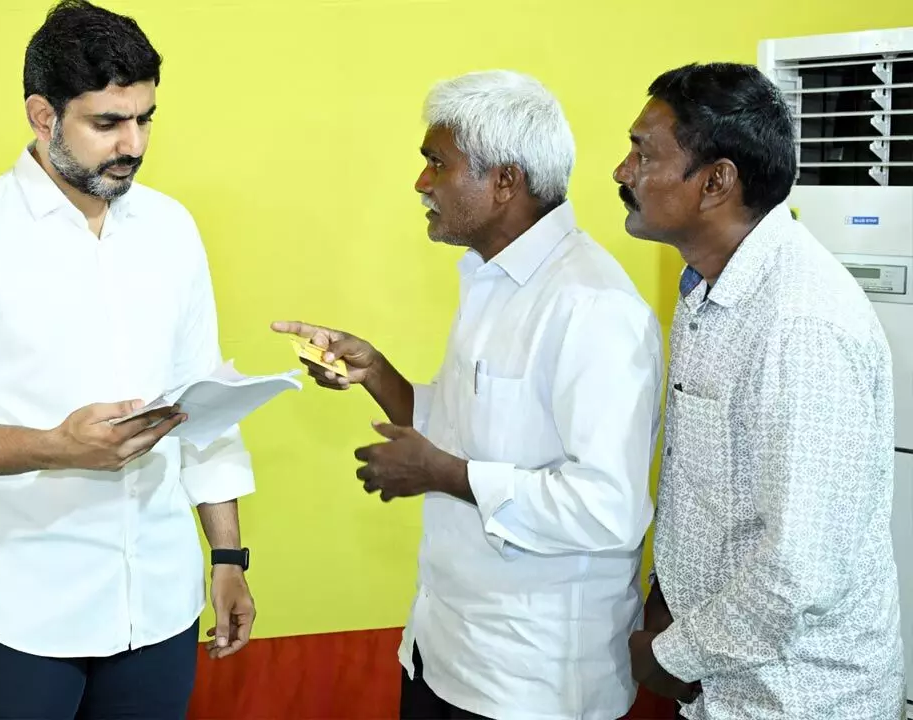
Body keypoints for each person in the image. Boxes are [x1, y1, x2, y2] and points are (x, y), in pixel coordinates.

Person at [0, 2, 256, 718]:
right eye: (107, 123)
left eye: (145, 118)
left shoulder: (172, 231)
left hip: (156, 602)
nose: (134, 143)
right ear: (42, 115)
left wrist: (229, 558)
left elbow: (202, 403)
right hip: (7, 610)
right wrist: (55, 448)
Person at [274, 70, 663, 719]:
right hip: (442, 651)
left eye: (436, 164)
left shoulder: (591, 307)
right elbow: (465, 433)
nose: (421, 184)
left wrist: (445, 475)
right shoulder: (492, 279)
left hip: (529, 685)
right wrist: (379, 375)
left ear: (503, 181)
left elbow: (608, 510)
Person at [615, 62, 905, 719]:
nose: (622, 171)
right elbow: (709, 489)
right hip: (725, 686)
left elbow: (795, 572)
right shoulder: (706, 289)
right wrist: (667, 599)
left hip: (799, 700)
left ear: (716, 181)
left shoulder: (801, 324)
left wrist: (670, 656)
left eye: (643, 152)